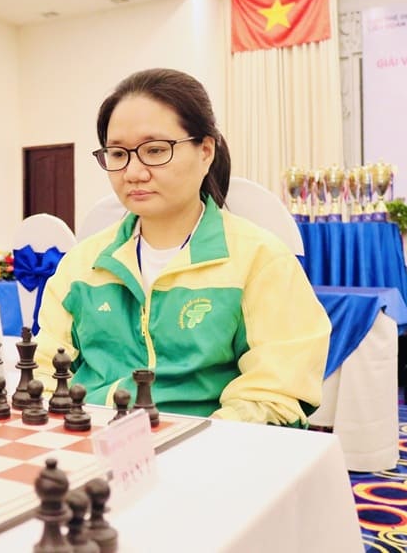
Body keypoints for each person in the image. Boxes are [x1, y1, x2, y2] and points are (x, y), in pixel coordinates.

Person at [34, 68, 330, 426]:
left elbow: (276, 391)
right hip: (88, 442)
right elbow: (44, 369)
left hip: (208, 453)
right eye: (117, 154)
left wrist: (202, 449)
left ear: (205, 151)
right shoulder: (83, 263)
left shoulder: (260, 260)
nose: (133, 172)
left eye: (155, 150)